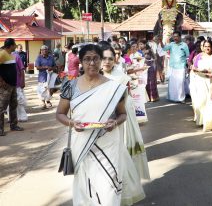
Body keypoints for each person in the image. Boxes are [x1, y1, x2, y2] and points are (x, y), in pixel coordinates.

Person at [56, 44, 145, 205]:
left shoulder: (114, 88)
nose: (92, 63)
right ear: (81, 62)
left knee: (108, 189)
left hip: (108, 144)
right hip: (82, 145)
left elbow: (122, 114)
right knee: (85, 188)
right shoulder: (70, 86)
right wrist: (71, 123)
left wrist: (115, 122)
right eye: (87, 59)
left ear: (100, 61)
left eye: (96, 58)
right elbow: (60, 114)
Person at [100, 44, 150, 181]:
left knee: (121, 146)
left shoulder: (120, 75)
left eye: (112, 57)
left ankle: (125, 180)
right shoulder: (94, 74)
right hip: (101, 117)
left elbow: (125, 95)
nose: (109, 61)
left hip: (121, 114)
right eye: (104, 58)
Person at [190, 40, 212, 130]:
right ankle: (201, 120)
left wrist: (209, 71)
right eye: (205, 46)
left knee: (210, 101)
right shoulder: (198, 56)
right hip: (200, 80)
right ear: (203, 47)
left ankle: (210, 122)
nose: (207, 48)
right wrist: (200, 71)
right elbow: (194, 68)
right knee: (201, 101)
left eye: (209, 46)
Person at [0, 38, 24, 136]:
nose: (15, 46)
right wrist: (1, 81)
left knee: (14, 105)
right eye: (14, 44)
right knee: (1, 107)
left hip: (13, 85)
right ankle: (0, 129)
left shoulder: (12, 55)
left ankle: (13, 125)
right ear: (10, 45)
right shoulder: (2, 54)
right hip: (5, 86)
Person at [161, 31, 190, 103]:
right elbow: (164, 48)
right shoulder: (171, 44)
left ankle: (181, 98)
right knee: (173, 83)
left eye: (176, 36)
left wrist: (188, 66)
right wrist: (160, 41)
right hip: (172, 67)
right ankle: (173, 97)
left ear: (180, 37)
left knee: (180, 83)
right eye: (174, 36)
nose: (175, 38)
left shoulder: (184, 45)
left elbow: (188, 56)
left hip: (181, 67)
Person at [35, 45, 56, 110]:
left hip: (51, 75)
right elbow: (37, 67)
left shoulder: (51, 57)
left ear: (48, 50)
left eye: (45, 49)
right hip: (42, 76)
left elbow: (55, 66)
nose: (44, 51)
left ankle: (48, 100)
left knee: (51, 89)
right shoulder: (39, 58)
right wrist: (45, 67)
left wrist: (51, 68)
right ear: (41, 51)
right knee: (42, 90)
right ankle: (43, 102)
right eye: (43, 50)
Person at [12, 51, 28, 122]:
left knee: (19, 100)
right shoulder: (3, 56)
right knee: (10, 102)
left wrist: (22, 81)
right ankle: (11, 118)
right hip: (7, 84)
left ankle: (22, 117)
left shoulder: (16, 56)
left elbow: (22, 70)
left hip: (17, 83)